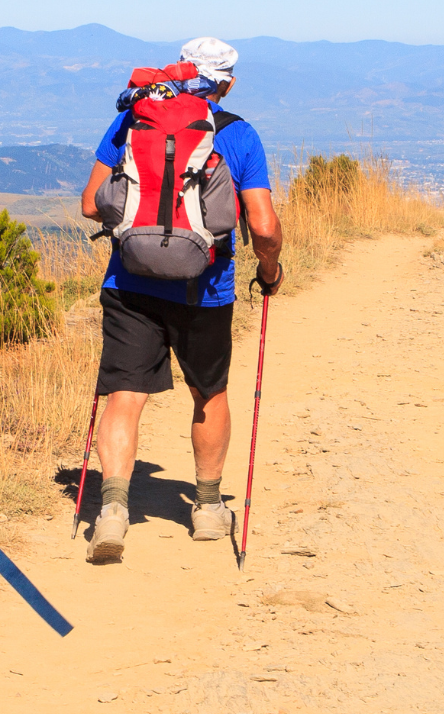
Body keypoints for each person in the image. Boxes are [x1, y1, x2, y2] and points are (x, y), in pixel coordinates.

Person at [79, 37, 284, 563]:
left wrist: (143, 235)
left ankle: (113, 513)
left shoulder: (134, 118)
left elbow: (89, 203)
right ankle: (209, 510)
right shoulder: (238, 134)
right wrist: (269, 270)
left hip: (129, 283)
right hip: (206, 288)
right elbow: (261, 224)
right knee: (208, 392)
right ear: (228, 82)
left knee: (125, 395)